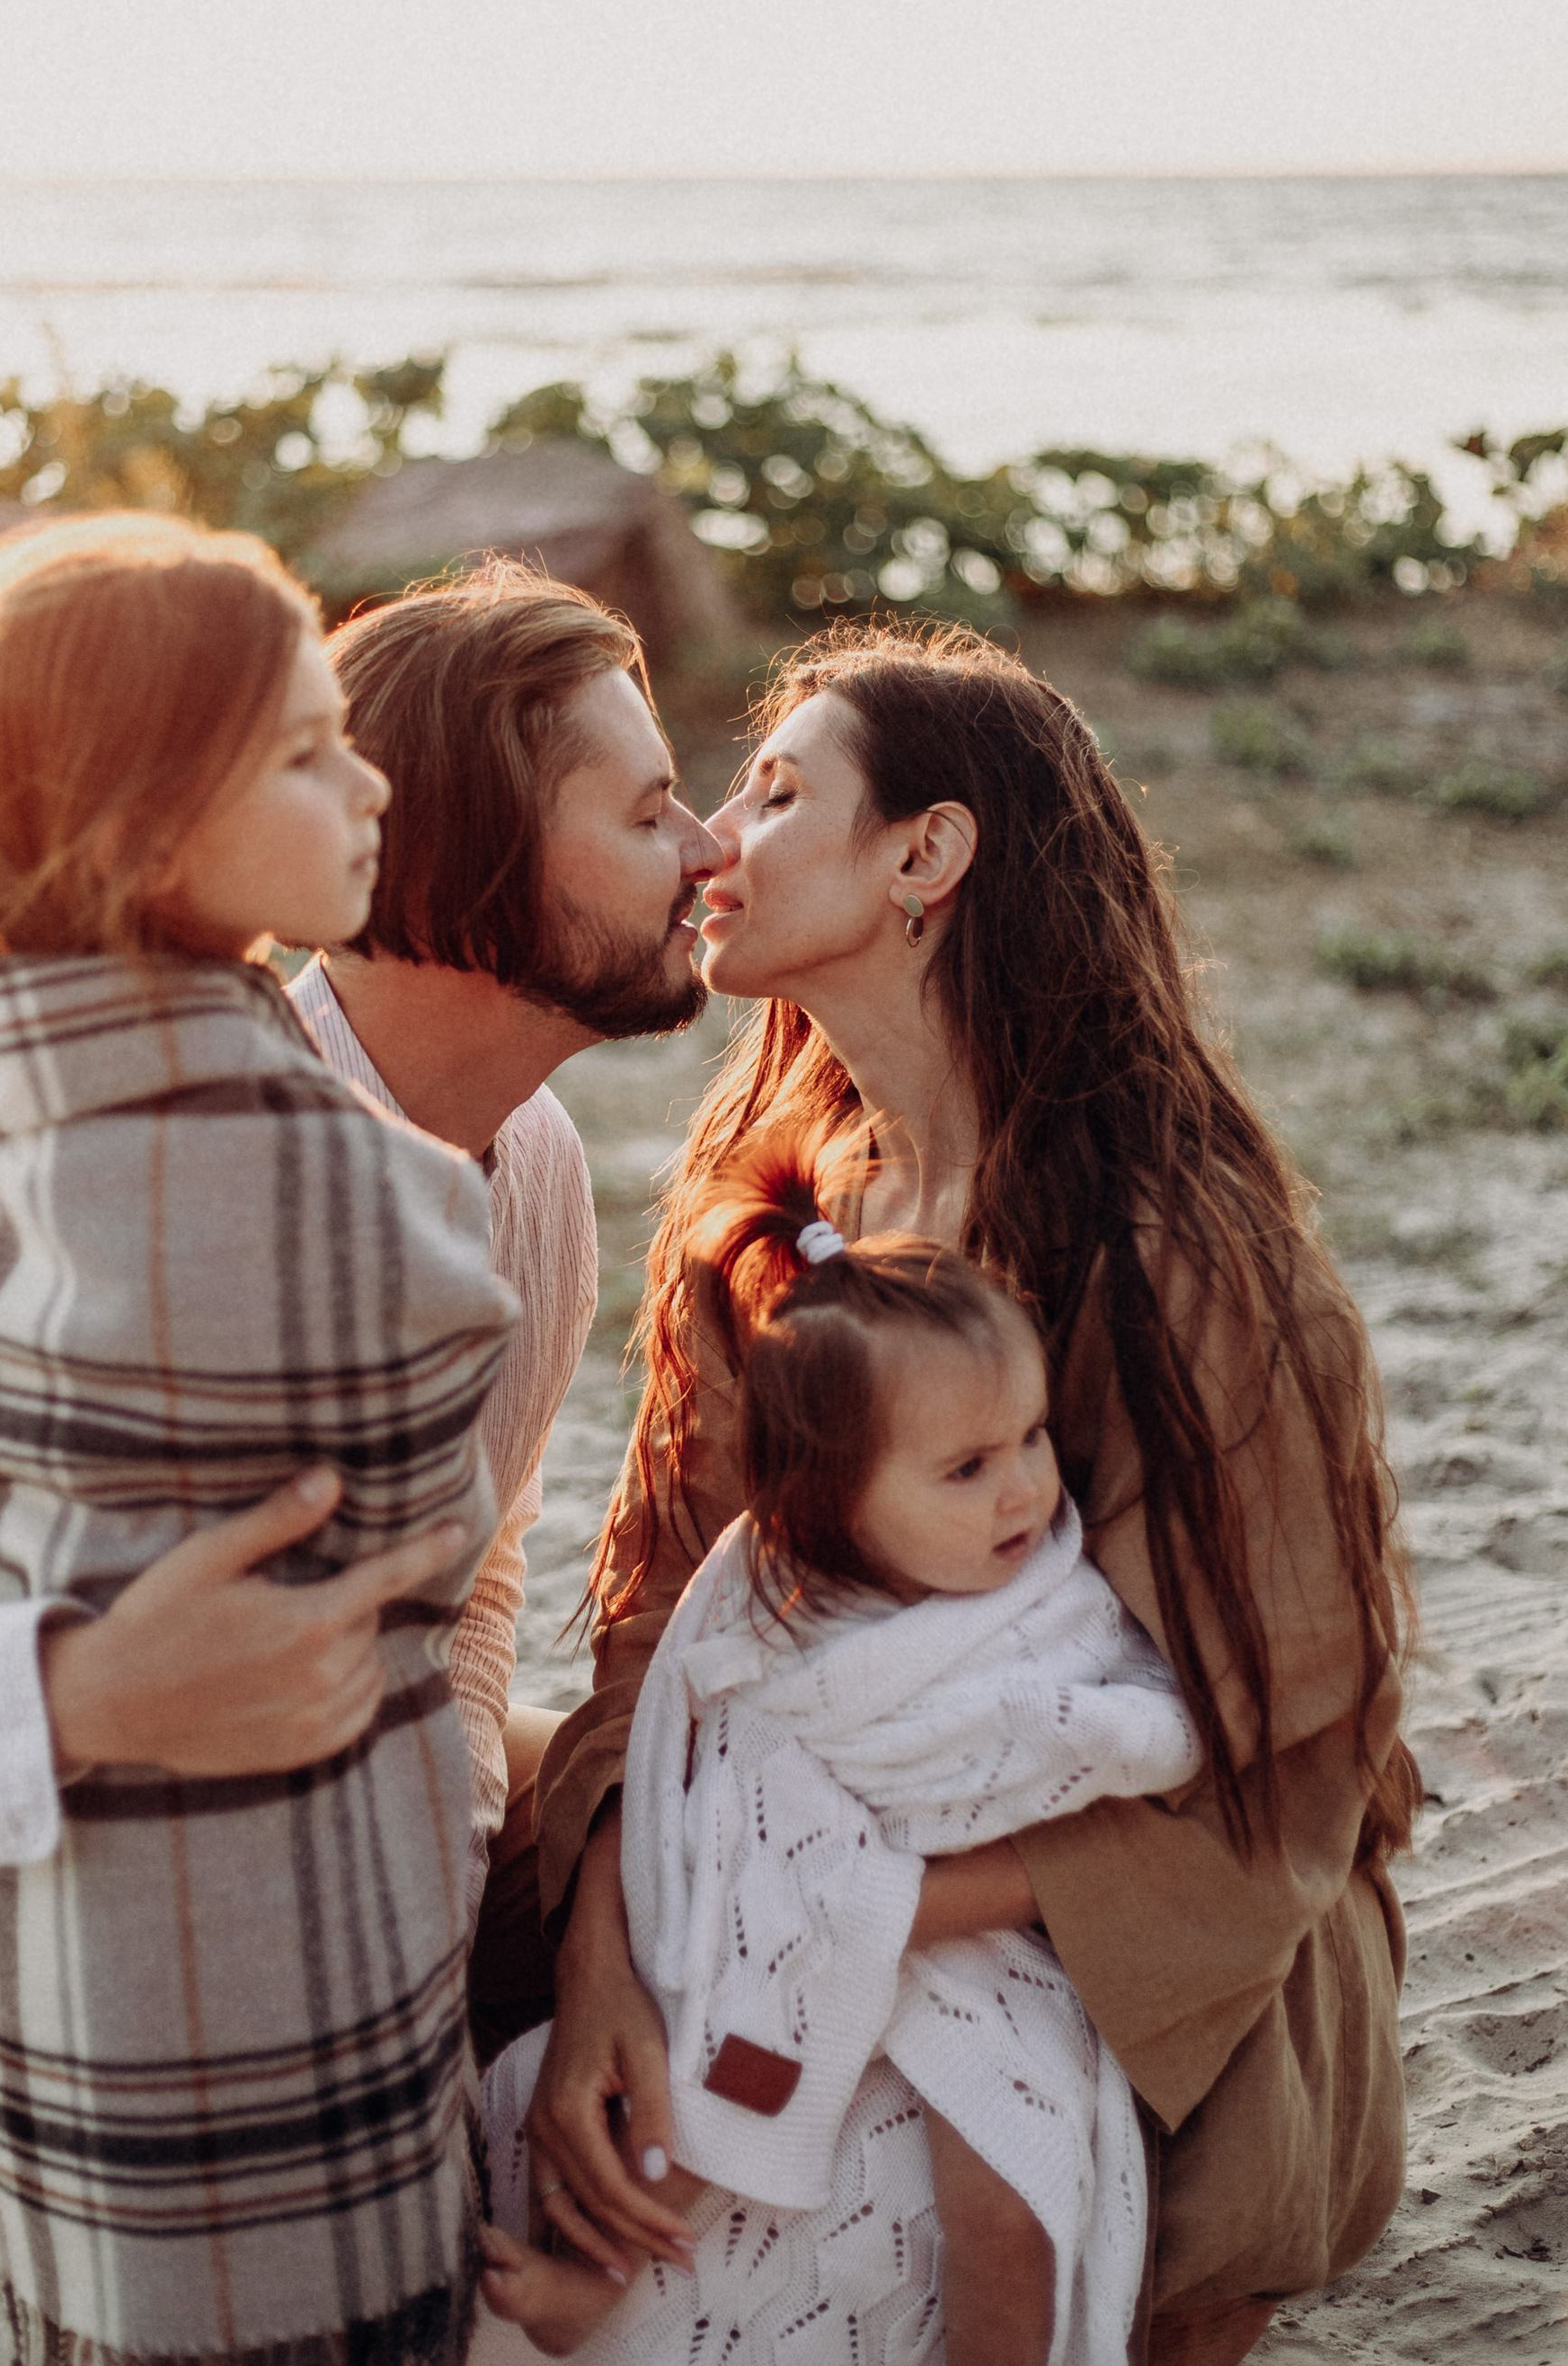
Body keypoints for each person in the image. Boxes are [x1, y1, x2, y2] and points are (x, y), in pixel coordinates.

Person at [0, 559, 722, 2364]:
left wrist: (439, 1886)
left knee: (710, 1809)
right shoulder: (145, 1177)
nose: (708, 846)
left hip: (277, 1922)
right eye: (648, 807)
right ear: (458, 855)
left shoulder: (518, 1166)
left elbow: (481, 1576)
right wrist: (77, 1690)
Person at [524, 622, 1416, 2366]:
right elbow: (662, 1616)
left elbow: (1286, 1747)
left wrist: (837, 1923)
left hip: (1140, 1927)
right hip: (780, 1859)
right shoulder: (780, 1216)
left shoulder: (1174, 1261)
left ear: (925, 855)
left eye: (776, 794)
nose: (712, 838)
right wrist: (607, 1954)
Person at [481, 1148, 1202, 2364]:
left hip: (986, 1950)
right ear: (833, 1504)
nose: (1024, 1491)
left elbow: (1125, 1720)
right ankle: (595, 2283)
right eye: (968, 1469)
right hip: (791, 1931)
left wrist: (1122, 1743)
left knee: (1011, 2181)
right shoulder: (779, 1620)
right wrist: (835, 1900)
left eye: (1031, 1438)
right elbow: (725, 1781)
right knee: (711, 2068)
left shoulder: (1044, 1588)